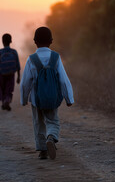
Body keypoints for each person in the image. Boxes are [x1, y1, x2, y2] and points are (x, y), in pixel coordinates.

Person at [20, 27, 74, 160]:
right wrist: (69, 98)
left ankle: (43, 151)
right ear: (51, 41)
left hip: (36, 99)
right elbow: (63, 79)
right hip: (52, 97)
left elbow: (25, 82)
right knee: (53, 121)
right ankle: (51, 137)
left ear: (35, 41)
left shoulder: (31, 59)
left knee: (38, 123)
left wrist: (24, 99)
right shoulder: (55, 57)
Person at [0, 33, 21, 111]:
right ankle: (7, 101)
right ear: (11, 41)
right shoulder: (14, 52)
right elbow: (18, 64)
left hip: (1, 73)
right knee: (9, 88)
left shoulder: (0, 52)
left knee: (2, 88)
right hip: (11, 73)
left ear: (2, 41)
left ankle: (3, 102)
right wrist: (18, 76)